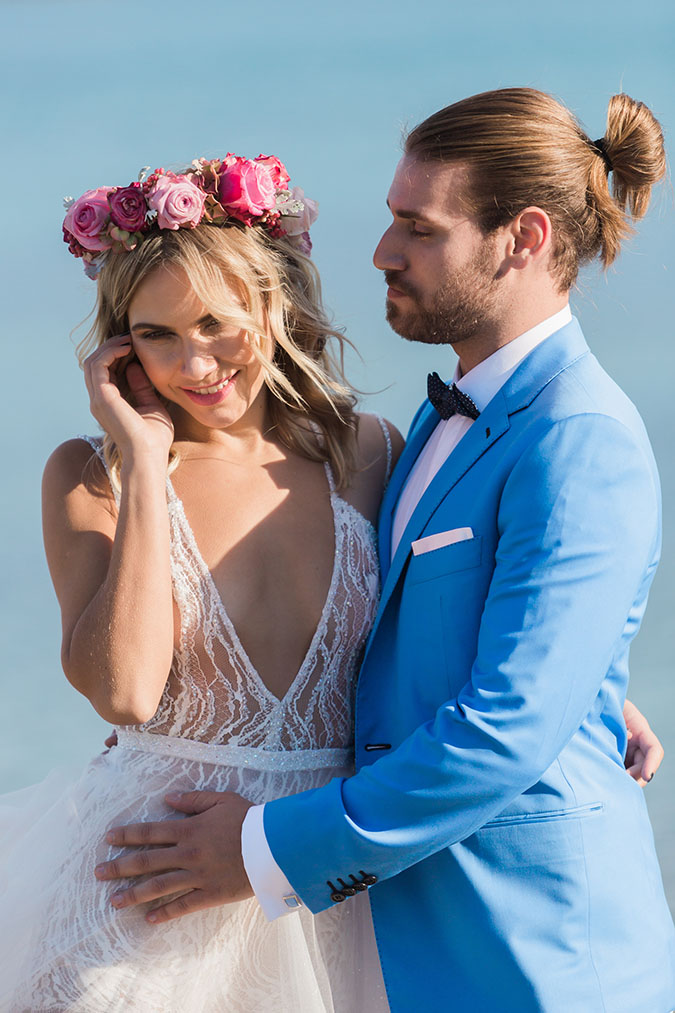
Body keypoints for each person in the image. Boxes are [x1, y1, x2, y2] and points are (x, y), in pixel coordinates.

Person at [99, 90, 675, 1012]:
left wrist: (257, 850)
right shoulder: (434, 421)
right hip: (407, 946)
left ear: (522, 239)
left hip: (534, 957)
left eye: (419, 227)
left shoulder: (579, 436)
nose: (380, 251)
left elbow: (505, 732)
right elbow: (415, 609)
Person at [0, 155, 397, 1010]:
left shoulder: (367, 453)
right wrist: (145, 462)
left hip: (318, 880)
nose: (196, 363)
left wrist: (592, 695)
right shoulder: (90, 476)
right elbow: (126, 693)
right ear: (120, 346)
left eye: (217, 322)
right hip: (144, 891)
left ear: (274, 304)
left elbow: (466, 607)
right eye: (157, 334)